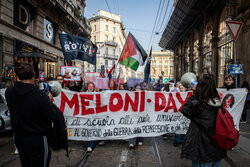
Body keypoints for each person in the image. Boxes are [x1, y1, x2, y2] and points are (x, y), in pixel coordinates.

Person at [5, 62, 56, 167]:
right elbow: (51, 117)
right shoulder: (40, 95)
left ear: (17, 76)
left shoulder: (9, 92)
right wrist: (49, 101)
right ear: (33, 74)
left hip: (19, 138)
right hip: (37, 138)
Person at [181, 75, 226, 167]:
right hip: (218, 150)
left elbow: (184, 109)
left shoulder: (198, 105)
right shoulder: (218, 103)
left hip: (202, 152)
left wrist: (194, 94)